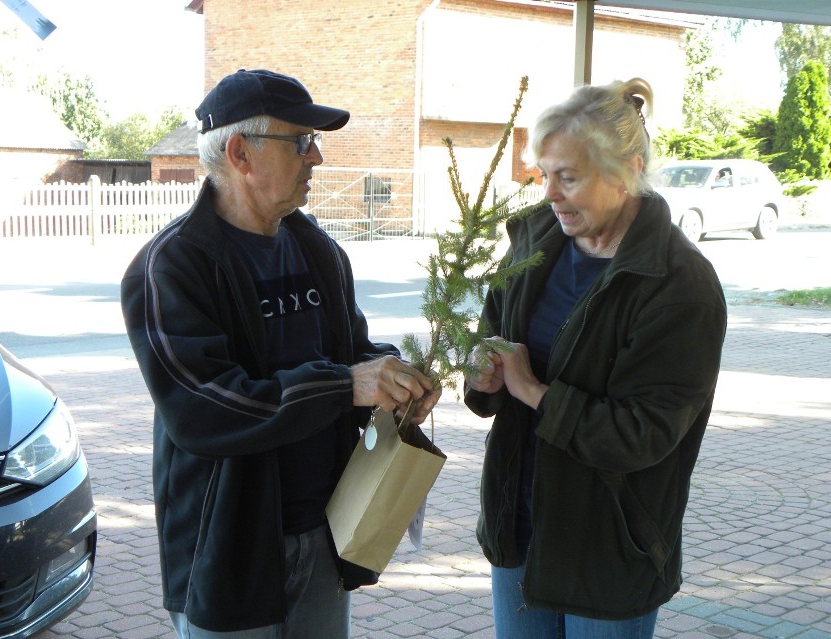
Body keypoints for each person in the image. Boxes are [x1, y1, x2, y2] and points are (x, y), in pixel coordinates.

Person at [120, 68, 440, 639]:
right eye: (301, 142)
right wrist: (347, 386)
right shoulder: (171, 266)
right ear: (240, 153)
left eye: (314, 143)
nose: (315, 158)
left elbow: (352, 351)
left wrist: (394, 378)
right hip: (230, 548)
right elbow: (206, 409)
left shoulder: (317, 249)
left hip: (326, 529)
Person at [464, 78, 727, 638]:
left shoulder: (679, 285)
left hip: (609, 544)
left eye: (569, 177)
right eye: (545, 174)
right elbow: (492, 330)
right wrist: (483, 373)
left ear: (627, 170)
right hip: (520, 527)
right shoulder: (535, 240)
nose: (550, 193)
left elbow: (643, 434)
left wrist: (533, 390)